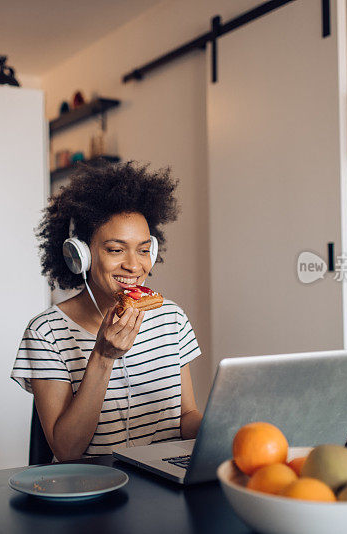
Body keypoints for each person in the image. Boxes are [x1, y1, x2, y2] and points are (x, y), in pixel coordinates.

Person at [10, 162, 203, 461]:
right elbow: (67, 449)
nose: (134, 265)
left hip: (166, 480)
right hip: (93, 489)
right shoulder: (45, 332)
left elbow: (185, 416)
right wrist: (102, 356)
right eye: (115, 249)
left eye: (142, 249)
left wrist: (222, 429)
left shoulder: (171, 318)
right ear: (81, 256)